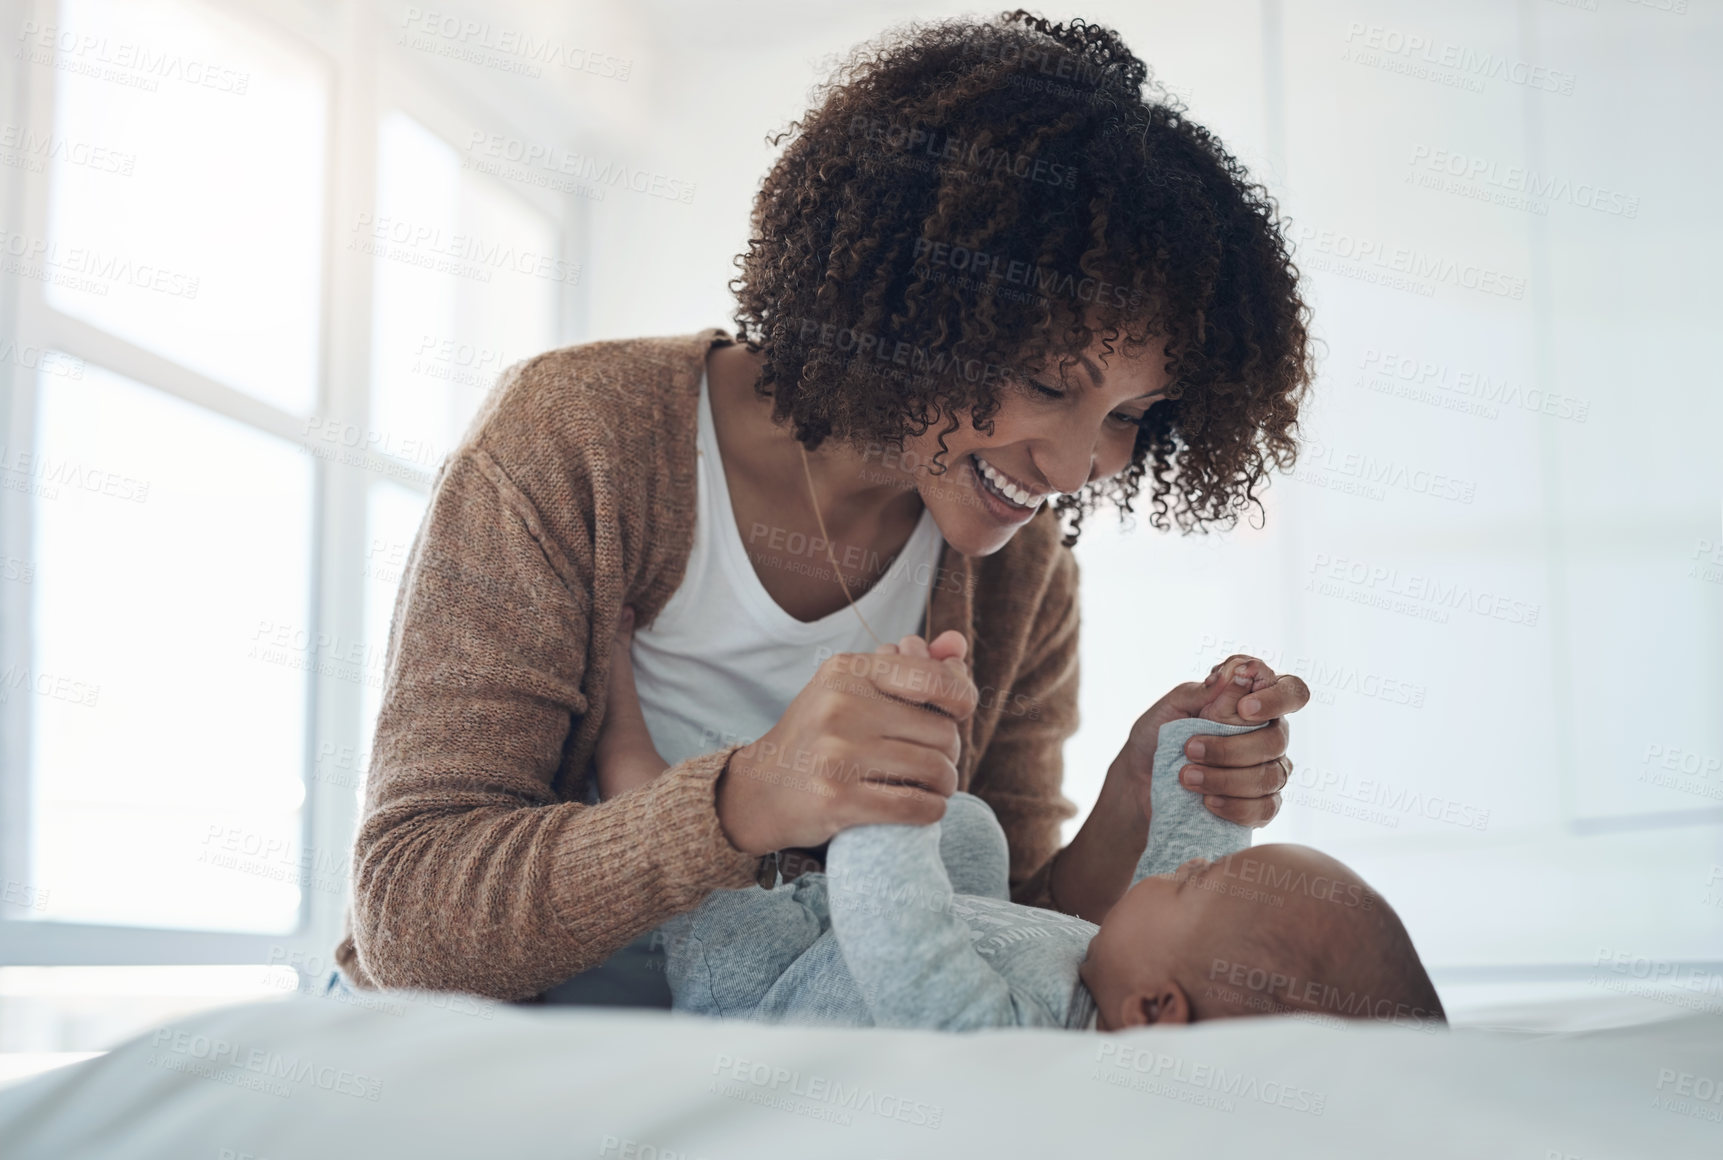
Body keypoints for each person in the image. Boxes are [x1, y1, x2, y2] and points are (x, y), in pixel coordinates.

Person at [332, 11, 1314, 1003]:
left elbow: (979, 934)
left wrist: (1130, 809)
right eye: (1050, 385)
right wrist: (748, 795)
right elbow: (411, 918)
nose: (1073, 465)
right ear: (910, 307)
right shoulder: (578, 436)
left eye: (1131, 415)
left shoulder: (1022, 572)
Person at [597, 628, 1445, 1032]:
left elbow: (906, 954)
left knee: (701, 871)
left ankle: (618, 738)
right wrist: (1206, 740)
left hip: (766, 987)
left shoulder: (1015, 1047)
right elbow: (1198, 853)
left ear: (1156, 1009)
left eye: (1186, 886)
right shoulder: (1132, 971)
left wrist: (892, 798)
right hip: (887, 923)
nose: (1171, 870)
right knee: (975, 831)